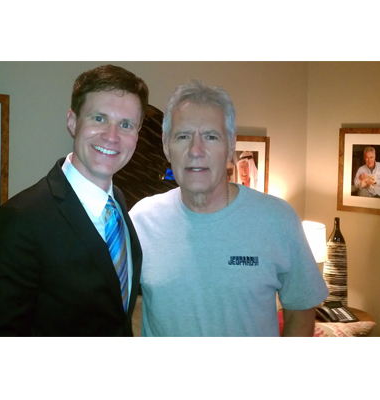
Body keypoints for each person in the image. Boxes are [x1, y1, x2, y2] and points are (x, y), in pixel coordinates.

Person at [129, 80, 328, 337]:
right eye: (183, 136)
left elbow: (301, 312)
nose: (196, 151)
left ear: (231, 145)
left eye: (211, 136)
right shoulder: (140, 220)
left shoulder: (278, 219)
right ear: (167, 145)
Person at [0, 64, 149, 336]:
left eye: (126, 125)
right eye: (98, 118)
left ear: (137, 134)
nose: (112, 136)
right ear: (72, 121)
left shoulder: (119, 204)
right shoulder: (18, 222)